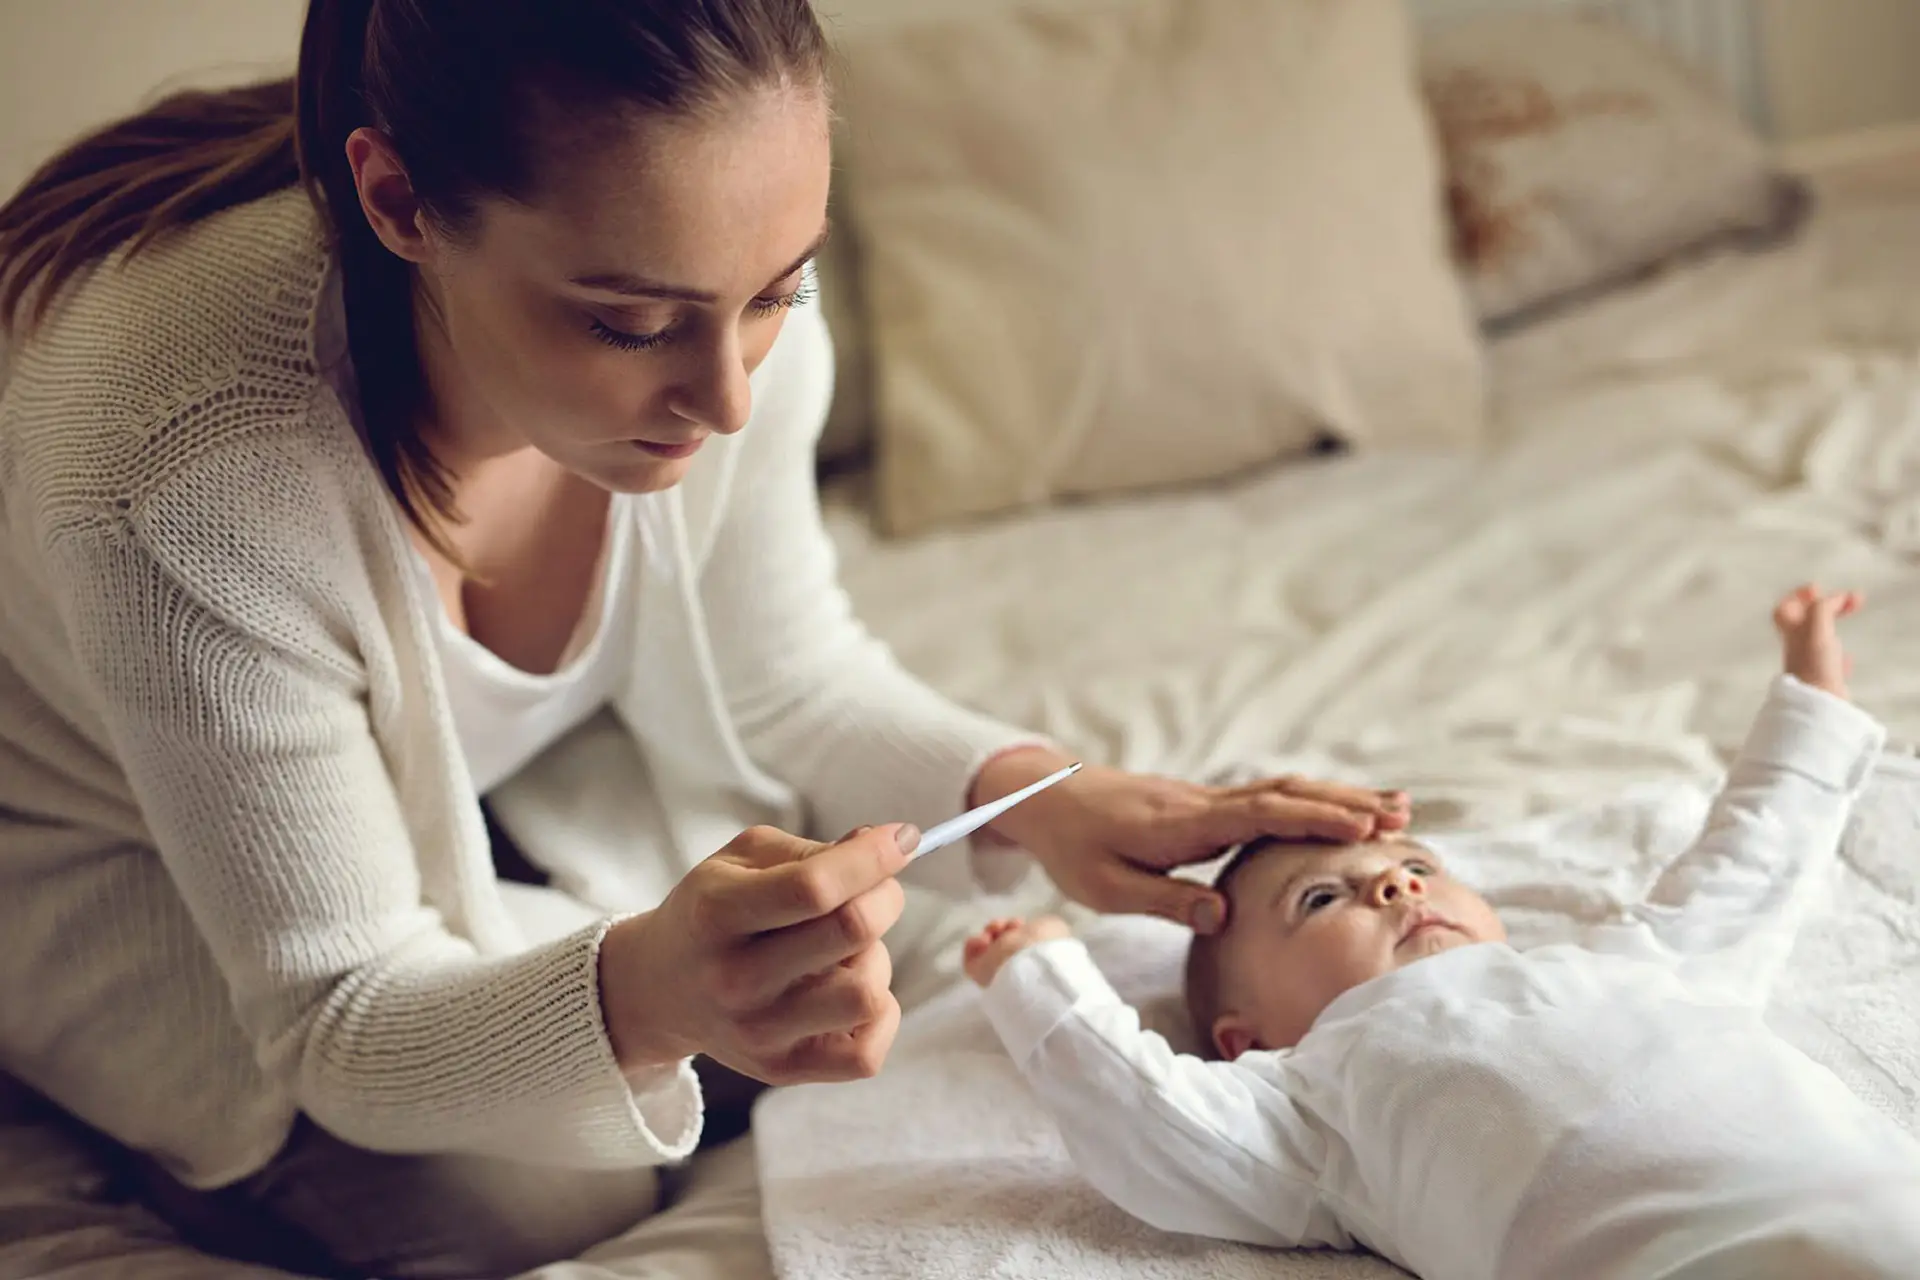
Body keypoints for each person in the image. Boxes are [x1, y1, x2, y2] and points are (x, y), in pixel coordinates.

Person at [0, 1, 1413, 1276]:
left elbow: (787, 674)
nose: (729, 398)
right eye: (629, 324)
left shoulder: (721, 311)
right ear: (397, 200)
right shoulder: (177, 476)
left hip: (492, 796)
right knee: (541, 1205)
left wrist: (1041, 798)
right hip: (110, 863)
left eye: (777, 292)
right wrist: (652, 990)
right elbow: (340, 1013)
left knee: (920, 980)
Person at [966, 586, 1920, 1280]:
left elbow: (1755, 859)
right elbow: (1150, 1122)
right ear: (1242, 1037)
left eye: (1418, 869)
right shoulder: (1312, 1101)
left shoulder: (1644, 961)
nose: (1391, 882)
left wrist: (1814, 699)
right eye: (1321, 901)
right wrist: (1039, 971)